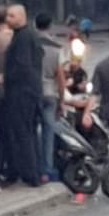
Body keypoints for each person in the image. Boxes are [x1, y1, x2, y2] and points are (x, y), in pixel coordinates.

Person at [4, 4, 44, 187]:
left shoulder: (23, 38)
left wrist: (6, 77)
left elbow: (23, 66)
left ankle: (30, 174)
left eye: (11, 16)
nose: (7, 19)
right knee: (29, 133)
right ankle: (33, 171)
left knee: (23, 133)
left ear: (21, 17)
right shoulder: (27, 36)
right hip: (31, 91)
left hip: (22, 93)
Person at [35, 13, 65, 183]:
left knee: (31, 131)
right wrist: (61, 101)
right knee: (48, 133)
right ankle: (47, 169)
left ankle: (34, 167)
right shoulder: (56, 48)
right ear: (50, 26)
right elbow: (60, 78)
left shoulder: (31, 45)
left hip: (32, 93)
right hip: (49, 94)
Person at [0, 4, 17, 184]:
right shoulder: (15, 39)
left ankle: (1, 167)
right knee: (14, 133)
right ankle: (13, 167)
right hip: (15, 92)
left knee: (1, 134)